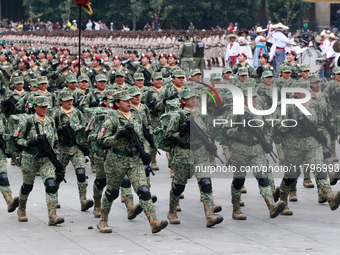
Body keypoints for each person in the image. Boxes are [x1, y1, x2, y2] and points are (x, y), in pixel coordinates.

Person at [96, 90, 168, 233]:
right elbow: (101, 142)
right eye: (125, 101)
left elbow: (142, 137)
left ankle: (153, 222)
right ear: (117, 103)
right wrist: (116, 136)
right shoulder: (111, 120)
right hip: (116, 161)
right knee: (112, 193)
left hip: (134, 160)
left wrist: (145, 152)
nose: (130, 102)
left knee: (143, 190)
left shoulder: (136, 117)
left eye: (130, 100)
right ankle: (103, 220)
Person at [275, 80, 340, 215]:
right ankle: (283, 201)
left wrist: (320, 133)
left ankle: (330, 197)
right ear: (296, 93)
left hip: (312, 144)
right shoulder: (288, 106)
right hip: (294, 146)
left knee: (319, 168)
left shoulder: (315, 105)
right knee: (291, 176)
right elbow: (278, 127)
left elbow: (320, 123)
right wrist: (292, 123)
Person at [222, 88, 285, 220]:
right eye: (251, 98)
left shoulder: (259, 112)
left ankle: (271, 206)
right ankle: (236, 209)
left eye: (255, 98)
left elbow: (265, 130)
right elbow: (225, 131)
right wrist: (239, 129)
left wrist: (267, 143)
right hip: (240, 151)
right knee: (239, 180)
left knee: (263, 177)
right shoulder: (236, 113)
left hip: (257, 151)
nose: (255, 101)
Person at [165, 88, 224, 227]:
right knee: (178, 186)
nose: (195, 100)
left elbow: (209, 131)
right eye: (191, 98)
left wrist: (211, 145)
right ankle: (172, 211)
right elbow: (167, 138)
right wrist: (180, 133)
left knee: (206, 183)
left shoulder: (203, 115)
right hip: (183, 155)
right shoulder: (178, 116)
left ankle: (209, 215)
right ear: (184, 100)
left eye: (196, 98)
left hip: (201, 153)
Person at [14, 96, 65, 226]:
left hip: (46, 159)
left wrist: (57, 160)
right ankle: (21, 208)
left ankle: (52, 215)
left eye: (46, 106)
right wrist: (28, 143)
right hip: (30, 157)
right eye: (41, 107)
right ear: (35, 106)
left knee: (51, 184)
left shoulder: (50, 121)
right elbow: (16, 139)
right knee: (27, 186)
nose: (44, 109)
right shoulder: (27, 121)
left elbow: (55, 142)